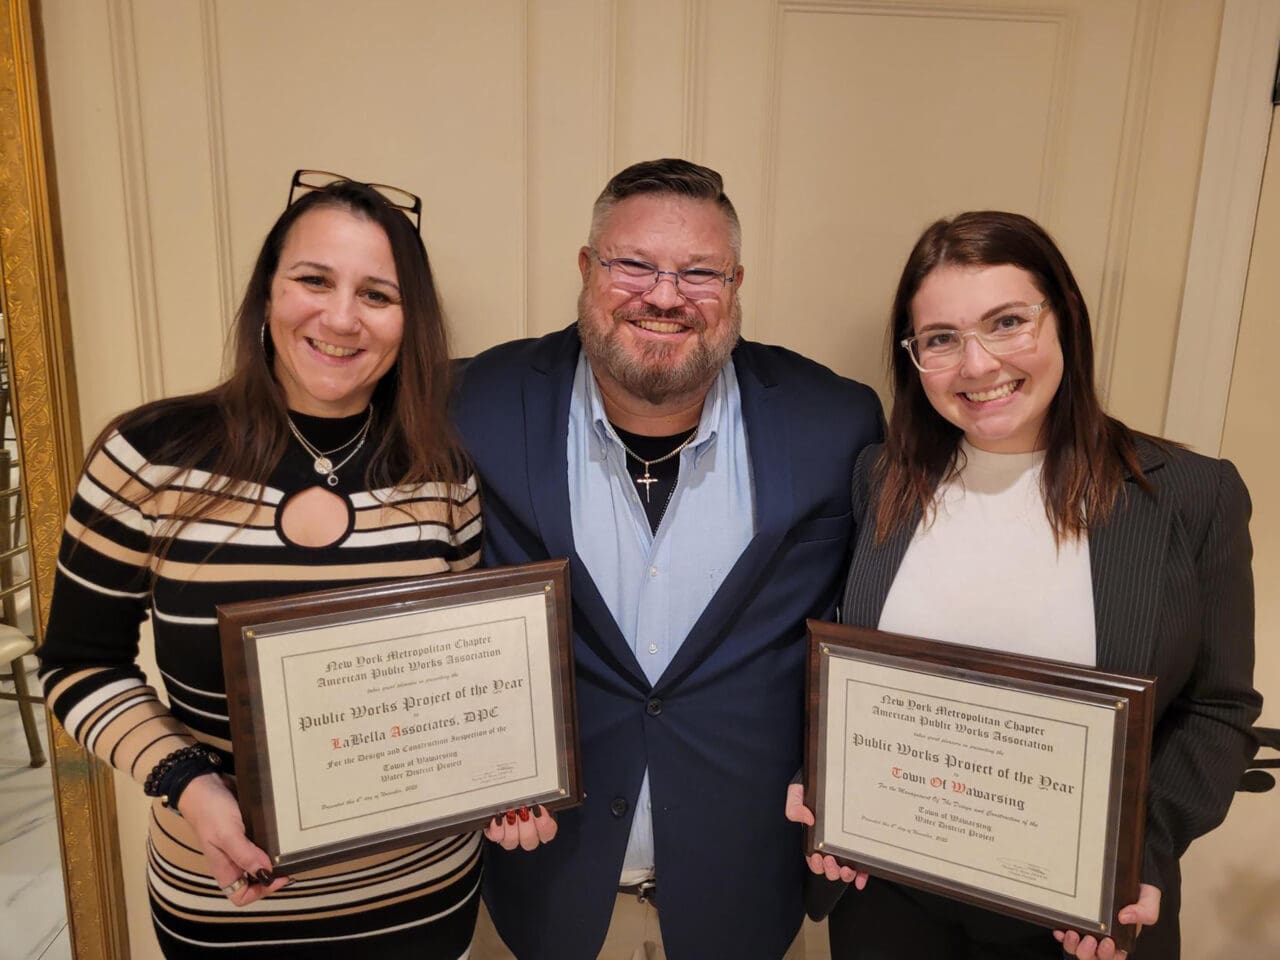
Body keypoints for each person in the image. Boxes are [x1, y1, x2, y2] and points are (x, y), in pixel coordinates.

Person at [786, 210, 1260, 959]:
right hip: (888, 899)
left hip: (1075, 923)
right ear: (915, 359)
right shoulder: (881, 479)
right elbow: (843, 668)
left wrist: (1143, 851)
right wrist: (819, 774)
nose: (976, 365)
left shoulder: (1191, 496)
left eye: (1007, 322)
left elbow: (1219, 707)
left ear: (1064, 319)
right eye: (940, 339)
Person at [37, 173, 485, 959]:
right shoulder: (150, 455)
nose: (341, 317)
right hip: (226, 893)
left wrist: (508, 783)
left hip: (419, 896)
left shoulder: (442, 472)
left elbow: (468, 676)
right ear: (267, 294)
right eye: (314, 280)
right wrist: (189, 783)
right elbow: (78, 666)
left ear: (409, 322)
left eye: (377, 295)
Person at [453, 158, 883, 959]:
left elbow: (872, 631)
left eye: (699, 272)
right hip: (544, 885)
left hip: (746, 895)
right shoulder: (474, 402)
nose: (663, 294)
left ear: (737, 283)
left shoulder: (837, 420)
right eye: (634, 265)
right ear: (586, 270)